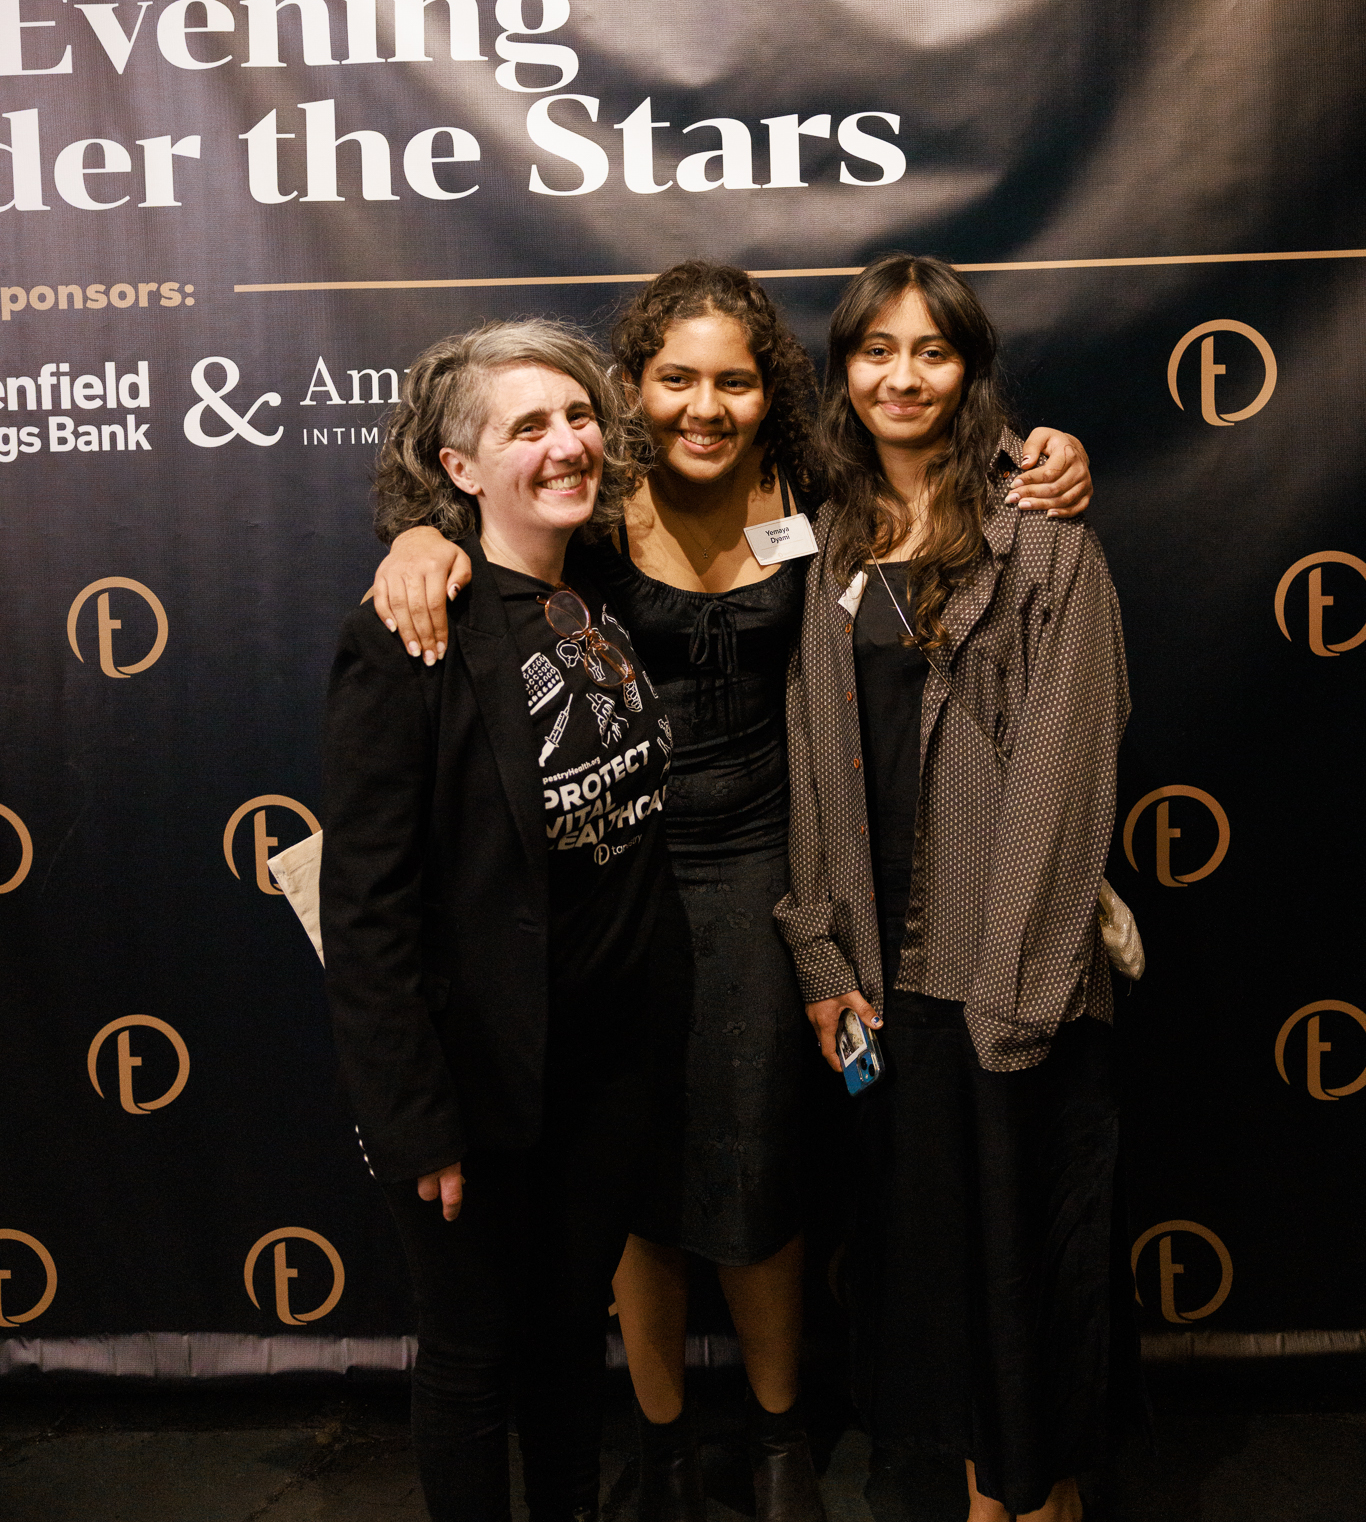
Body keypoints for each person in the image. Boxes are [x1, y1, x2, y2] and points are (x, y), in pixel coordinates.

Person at [370, 264, 1094, 1522]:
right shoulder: (589, 499)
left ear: (773, 392)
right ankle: (661, 1442)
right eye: (675, 379)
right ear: (632, 387)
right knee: (629, 1166)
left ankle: (776, 1437)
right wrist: (416, 537)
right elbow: (475, 517)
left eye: (734, 381)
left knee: (760, 1157)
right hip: (616, 865)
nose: (704, 406)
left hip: (771, 860)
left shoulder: (814, 486)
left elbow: (940, 467)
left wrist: (1049, 452)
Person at [777, 256, 1132, 1522]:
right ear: (843, 370)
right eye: (876, 349)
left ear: (971, 369)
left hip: (1005, 974)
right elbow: (810, 753)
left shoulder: (1042, 533)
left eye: (931, 350)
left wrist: (1016, 995)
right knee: (931, 1262)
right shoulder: (825, 535)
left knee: (1026, 1257)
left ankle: (1036, 1495)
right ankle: (983, 1488)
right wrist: (823, 960)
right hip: (883, 977)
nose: (902, 375)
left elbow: (1066, 767)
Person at [319, 319, 682, 1522]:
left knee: (571, 1333)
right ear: (458, 466)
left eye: (577, 415)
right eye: (526, 426)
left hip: (607, 1071)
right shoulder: (407, 633)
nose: (566, 442)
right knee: (473, 1354)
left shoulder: (605, 582)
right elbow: (366, 911)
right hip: (472, 1082)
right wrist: (413, 1117)